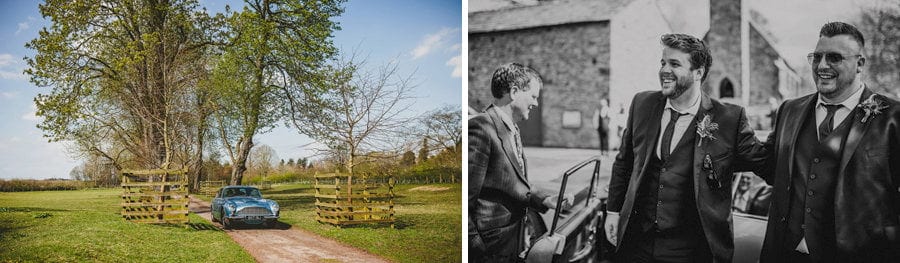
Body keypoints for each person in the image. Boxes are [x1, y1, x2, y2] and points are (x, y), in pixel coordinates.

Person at [603, 33, 765, 263]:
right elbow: (624, 161)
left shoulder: (729, 119)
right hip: (636, 242)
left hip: (690, 250)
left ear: (698, 73)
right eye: (663, 62)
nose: (664, 70)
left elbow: (765, 162)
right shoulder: (642, 103)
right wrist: (613, 211)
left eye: (674, 64)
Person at [757, 21, 900, 262]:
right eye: (817, 57)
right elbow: (768, 164)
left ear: (859, 64)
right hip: (785, 253)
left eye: (834, 58)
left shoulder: (893, 118)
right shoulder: (790, 110)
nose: (822, 66)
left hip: (857, 255)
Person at [469, 63, 570, 262]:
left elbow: (514, 181)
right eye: (533, 96)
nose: (537, 104)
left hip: (512, 242)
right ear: (514, 92)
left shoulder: (512, 129)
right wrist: (479, 251)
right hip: (490, 249)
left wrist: (544, 199)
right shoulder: (480, 127)